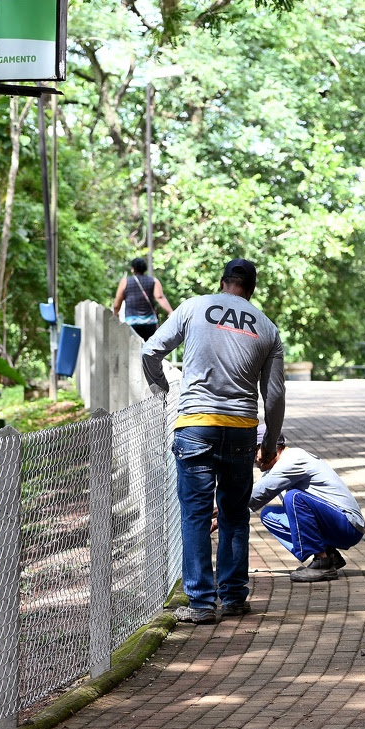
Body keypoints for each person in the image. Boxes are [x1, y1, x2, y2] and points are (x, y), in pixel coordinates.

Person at [141, 258, 285, 624]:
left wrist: (161, 388)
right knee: (235, 516)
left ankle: (202, 604)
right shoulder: (267, 329)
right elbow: (275, 396)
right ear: (252, 289)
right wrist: (269, 445)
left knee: (196, 516)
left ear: (223, 282)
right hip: (241, 429)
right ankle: (235, 597)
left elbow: (150, 351)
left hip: (196, 425)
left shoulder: (193, 307)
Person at [250, 428, 365, 583]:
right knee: (269, 515)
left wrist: (223, 508)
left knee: (294, 497)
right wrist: (223, 516)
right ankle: (329, 555)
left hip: (348, 525)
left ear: (271, 447)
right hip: (337, 524)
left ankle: (322, 563)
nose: (252, 458)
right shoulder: (276, 468)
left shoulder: (293, 459)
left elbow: (257, 492)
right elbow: (253, 499)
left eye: (254, 450)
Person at [112, 257, 174, 341]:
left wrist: (116, 315)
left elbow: (117, 304)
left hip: (132, 323)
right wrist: (170, 311)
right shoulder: (154, 281)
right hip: (150, 323)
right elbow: (160, 297)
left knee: (132, 349)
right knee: (150, 349)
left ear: (133, 269)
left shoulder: (125, 282)